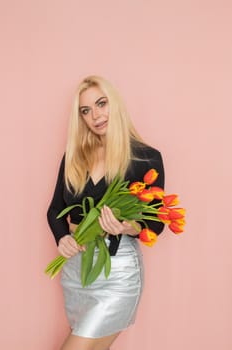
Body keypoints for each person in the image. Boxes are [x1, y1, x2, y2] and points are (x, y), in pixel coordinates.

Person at [47, 75, 165, 350]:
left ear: (115, 104)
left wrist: (126, 226)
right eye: (85, 111)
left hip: (117, 271)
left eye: (101, 104)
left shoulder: (146, 158)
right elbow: (55, 210)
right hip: (76, 269)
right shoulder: (74, 157)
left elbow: (155, 223)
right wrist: (62, 237)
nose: (95, 116)